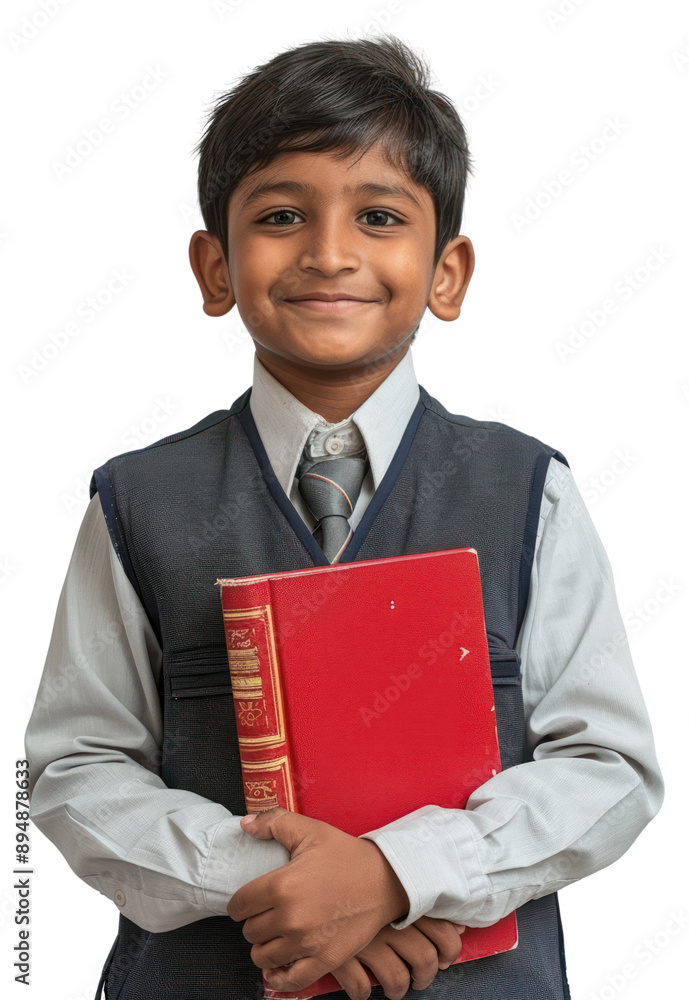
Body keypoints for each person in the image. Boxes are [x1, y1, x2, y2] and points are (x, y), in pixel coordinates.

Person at [25, 33, 664, 1000]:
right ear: (214, 267)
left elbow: (607, 766)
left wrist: (395, 877)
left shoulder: (528, 488)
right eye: (282, 215)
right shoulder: (134, 501)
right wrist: (285, 888)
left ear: (446, 271)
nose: (330, 253)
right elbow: (75, 769)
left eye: (377, 216)